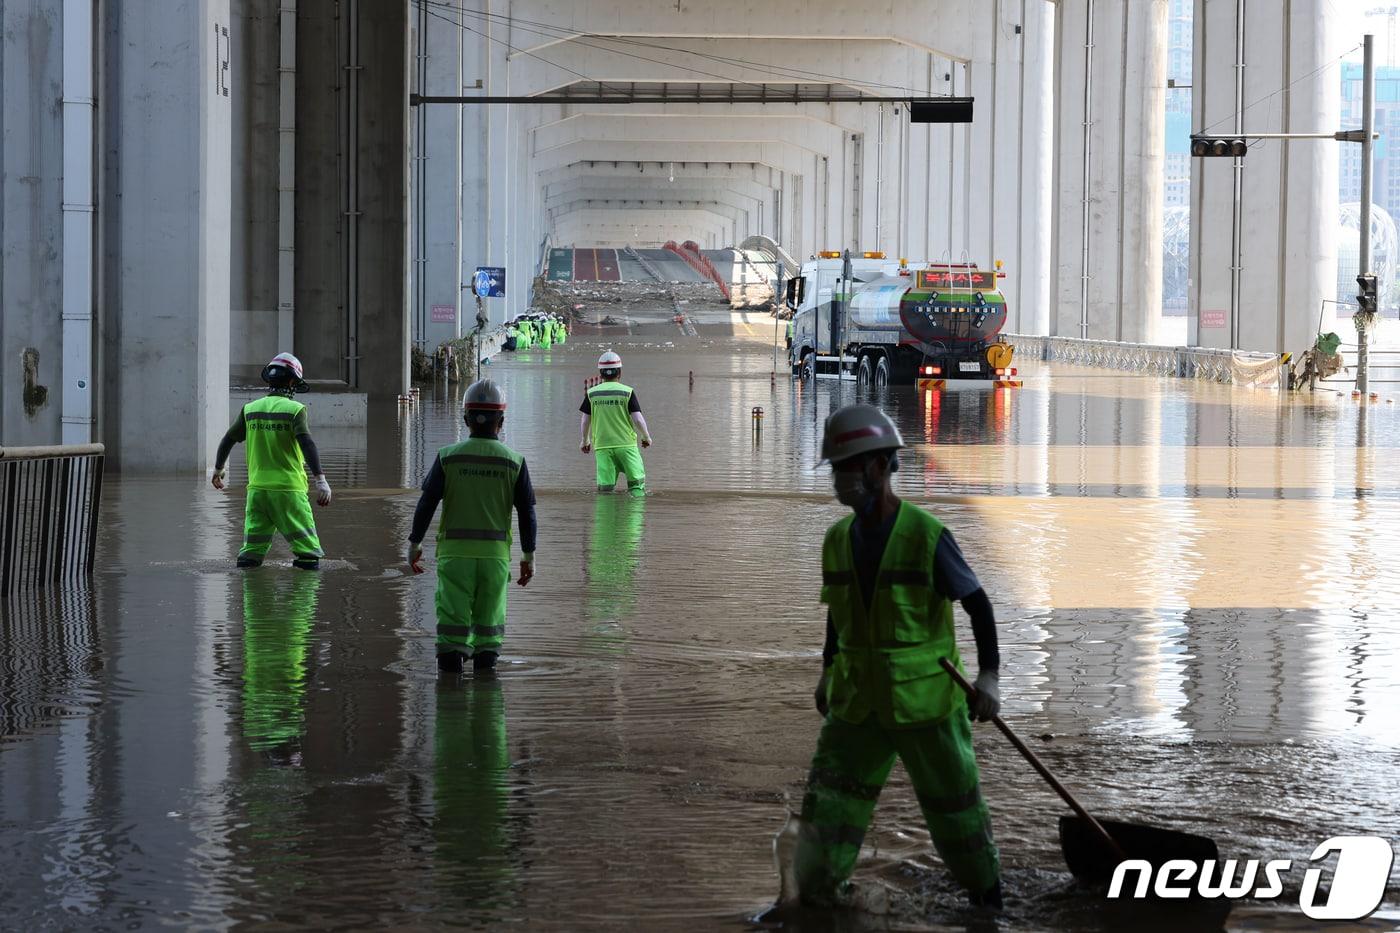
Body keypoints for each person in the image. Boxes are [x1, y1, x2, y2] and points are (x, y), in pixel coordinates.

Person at [792, 403, 1003, 910]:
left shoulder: (926, 535)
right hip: (857, 704)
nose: (841, 481)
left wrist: (990, 677)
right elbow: (838, 612)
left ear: (879, 466)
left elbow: (978, 604)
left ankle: (988, 902)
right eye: (836, 470)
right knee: (828, 811)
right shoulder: (837, 539)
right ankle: (818, 902)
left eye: (847, 469)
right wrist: (826, 671)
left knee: (957, 816)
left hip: (926, 704)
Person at [408, 379, 536, 674]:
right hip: (495, 561)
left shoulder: (448, 457)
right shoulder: (514, 462)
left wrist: (415, 543)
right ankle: (486, 702)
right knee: (488, 633)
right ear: (501, 421)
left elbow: (426, 504)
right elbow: (527, 513)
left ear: (465, 418)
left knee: (452, 633)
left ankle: (450, 699)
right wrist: (528, 556)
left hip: (455, 558)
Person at [212, 352, 332, 570]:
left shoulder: (250, 409)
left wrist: (218, 469)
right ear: (291, 381)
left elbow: (227, 440)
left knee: (250, 555)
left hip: (257, 492)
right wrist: (320, 479)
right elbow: (307, 444)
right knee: (308, 554)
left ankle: (255, 601)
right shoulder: (295, 410)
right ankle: (301, 603)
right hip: (289, 492)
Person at [580, 350, 652, 496]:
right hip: (626, 446)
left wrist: (585, 440)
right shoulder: (627, 392)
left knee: (605, 491)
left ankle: (605, 517)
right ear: (619, 372)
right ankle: (634, 517)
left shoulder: (592, 393)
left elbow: (585, 420)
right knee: (637, 488)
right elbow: (638, 419)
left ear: (600, 374)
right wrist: (646, 437)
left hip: (602, 446)